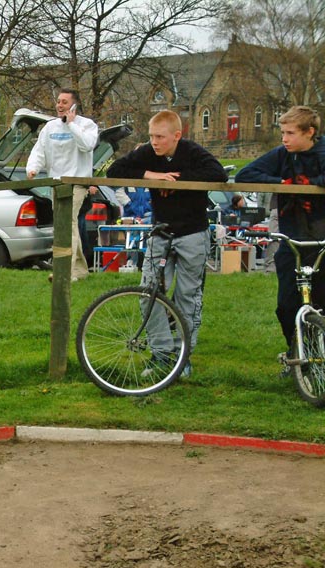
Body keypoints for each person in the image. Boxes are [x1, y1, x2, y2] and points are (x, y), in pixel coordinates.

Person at [107, 110, 228, 378]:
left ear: (176, 135)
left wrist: (178, 179)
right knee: (147, 294)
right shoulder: (148, 153)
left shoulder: (192, 152)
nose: (155, 142)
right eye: (151, 136)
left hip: (192, 234)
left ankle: (183, 357)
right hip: (160, 233)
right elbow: (115, 169)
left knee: (188, 297)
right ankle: (161, 353)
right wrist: (150, 175)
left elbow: (218, 173)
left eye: (160, 137)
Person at [235, 105, 325, 374]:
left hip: (321, 239)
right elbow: (245, 174)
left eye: (290, 133)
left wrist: (312, 182)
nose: (284, 138)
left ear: (310, 132)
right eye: (282, 132)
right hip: (292, 239)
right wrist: (283, 182)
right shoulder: (282, 154)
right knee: (286, 305)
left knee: (320, 303)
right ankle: (296, 353)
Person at [26, 89, 99, 281]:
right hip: (56, 183)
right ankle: (81, 270)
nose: (60, 105)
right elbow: (39, 151)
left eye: (65, 102)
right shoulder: (50, 128)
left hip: (77, 184)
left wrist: (72, 124)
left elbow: (87, 145)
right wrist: (33, 168)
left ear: (74, 105)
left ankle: (64, 271)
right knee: (65, 225)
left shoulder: (88, 125)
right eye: (58, 101)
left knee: (67, 225)